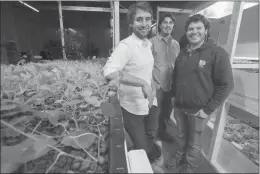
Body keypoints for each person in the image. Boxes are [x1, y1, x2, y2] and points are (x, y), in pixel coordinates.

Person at [165, 14, 234, 173]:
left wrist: (207, 110)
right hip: (180, 106)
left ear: (206, 30)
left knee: (194, 141)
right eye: (190, 29)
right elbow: (176, 76)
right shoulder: (182, 53)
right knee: (181, 135)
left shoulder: (217, 53)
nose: (194, 32)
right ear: (186, 32)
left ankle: (191, 165)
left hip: (199, 109)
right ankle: (179, 155)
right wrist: (174, 96)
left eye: (198, 28)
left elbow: (226, 85)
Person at [103, 2, 164, 173]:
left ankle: (151, 158)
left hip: (150, 103)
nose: (144, 23)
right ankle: (146, 163)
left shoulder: (147, 44)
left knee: (151, 135)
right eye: (139, 20)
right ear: (131, 23)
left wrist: (151, 87)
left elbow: (147, 70)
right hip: (132, 107)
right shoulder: (126, 46)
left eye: (147, 19)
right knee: (141, 145)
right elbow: (109, 72)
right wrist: (142, 83)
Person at [150, 13, 180, 142]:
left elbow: (177, 65)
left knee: (166, 113)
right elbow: (145, 65)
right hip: (156, 85)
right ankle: (150, 138)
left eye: (170, 23)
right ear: (160, 25)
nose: (168, 25)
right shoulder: (151, 43)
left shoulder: (176, 44)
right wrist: (152, 84)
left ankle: (162, 133)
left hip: (171, 86)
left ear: (173, 26)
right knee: (153, 114)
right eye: (165, 22)